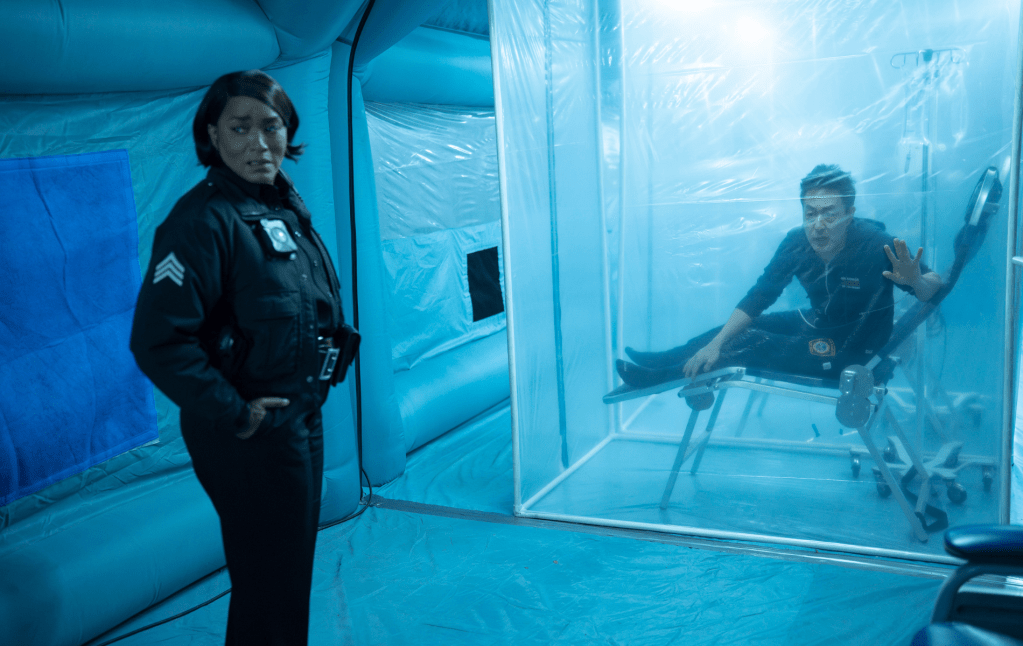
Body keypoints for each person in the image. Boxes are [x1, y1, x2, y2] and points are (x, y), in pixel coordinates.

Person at [130, 70, 347, 645]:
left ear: (288, 131)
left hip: (300, 416)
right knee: (269, 582)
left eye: (271, 126)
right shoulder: (201, 221)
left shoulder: (281, 207)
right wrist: (238, 413)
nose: (259, 143)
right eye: (240, 128)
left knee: (285, 578)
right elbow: (158, 341)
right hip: (250, 432)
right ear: (212, 134)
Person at [617, 164, 942, 389]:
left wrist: (915, 281)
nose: (818, 225)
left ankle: (660, 376)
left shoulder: (878, 246)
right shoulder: (796, 242)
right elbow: (760, 296)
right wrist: (715, 343)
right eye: (810, 214)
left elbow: (935, 288)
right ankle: (659, 361)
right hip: (818, 323)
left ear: (849, 214)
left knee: (750, 343)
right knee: (729, 332)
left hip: (854, 349)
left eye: (829, 214)